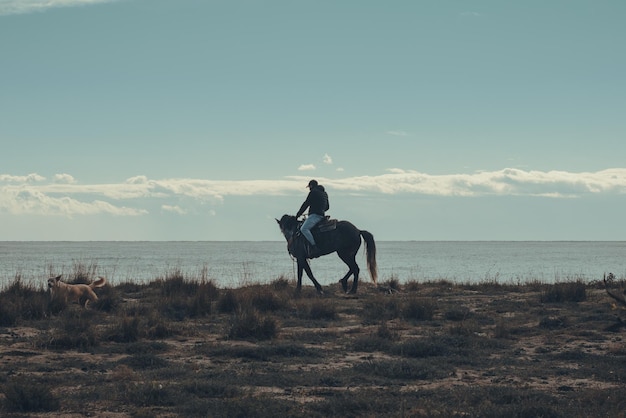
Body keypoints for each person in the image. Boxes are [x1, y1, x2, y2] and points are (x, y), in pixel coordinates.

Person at [296, 179, 329, 257]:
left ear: (311, 186)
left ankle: (314, 247)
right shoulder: (324, 193)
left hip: (315, 216)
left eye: (309, 187)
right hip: (322, 216)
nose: (309, 188)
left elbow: (306, 204)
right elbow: (327, 207)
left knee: (303, 229)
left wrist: (298, 215)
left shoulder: (313, 192)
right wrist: (320, 209)